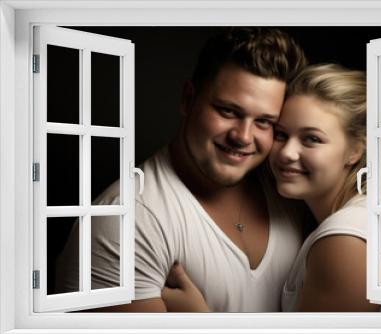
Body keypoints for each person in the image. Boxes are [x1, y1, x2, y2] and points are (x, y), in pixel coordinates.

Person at [55, 27, 308, 312]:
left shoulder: (288, 191)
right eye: (228, 111)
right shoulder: (124, 221)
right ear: (188, 99)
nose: (243, 136)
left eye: (264, 121)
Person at [163, 64, 381, 312]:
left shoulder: (347, 243)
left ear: (356, 149)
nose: (286, 153)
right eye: (281, 135)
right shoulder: (366, 215)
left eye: (311, 139)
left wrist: (200, 320)